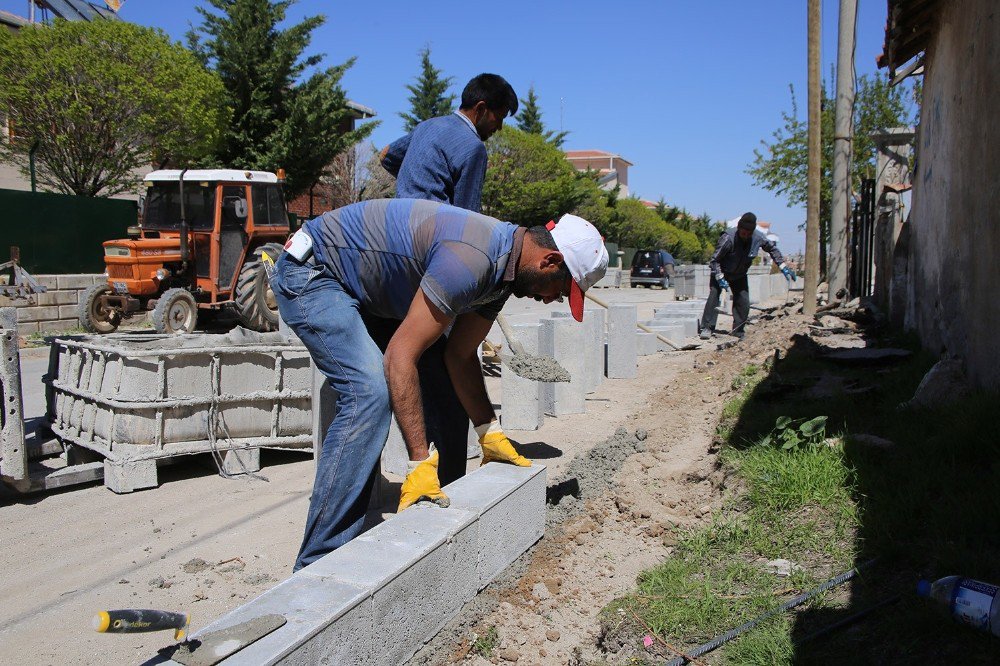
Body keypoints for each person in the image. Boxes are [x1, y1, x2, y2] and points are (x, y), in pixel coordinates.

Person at [271, 199, 608, 569]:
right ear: (550, 262)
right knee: (368, 392)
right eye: (559, 290)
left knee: (447, 392)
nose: (550, 300)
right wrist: (419, 460)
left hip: (372, 292)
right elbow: (400, 356)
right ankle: (318, 561)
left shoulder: (504, 277)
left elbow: (459, 356)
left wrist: (487, 431)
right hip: (315, 273)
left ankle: (441, 520)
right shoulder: (470, 261)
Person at [380, 73, 518, 213]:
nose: (500, 127)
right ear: (481, 109)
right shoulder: (473, 147)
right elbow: (468, 216)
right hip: (433, 229)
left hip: (396, 223)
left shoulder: (427, 126)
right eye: (499, 117)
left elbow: (387, 156)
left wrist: (415, 181)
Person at [699, 212, 795, 340]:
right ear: (739, 228)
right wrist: (720, 277)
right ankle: (706, 327)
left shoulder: (758, 238)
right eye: (743, 233)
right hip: (722, 271)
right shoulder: (728, 238)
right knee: (714, 296)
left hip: (739, 274)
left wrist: (782, 266)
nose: (745, 236)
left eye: (748, 234)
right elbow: (714, 261)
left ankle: (738, 330)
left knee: (743, 301)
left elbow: (772, 249)